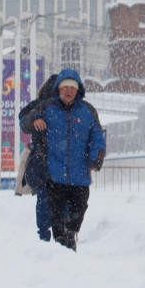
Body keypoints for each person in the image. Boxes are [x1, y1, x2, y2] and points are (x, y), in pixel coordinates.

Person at [39, 69, 106, 250]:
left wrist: (95, 159)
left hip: (80, 176)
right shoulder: (47, 109)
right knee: (57, 218)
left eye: (73, 88)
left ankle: (70, 236)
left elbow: (98, 138)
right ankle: (62, 245)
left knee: (79, 211)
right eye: (65, 87)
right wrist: (33, 121)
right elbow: (26, 120)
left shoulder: (88, 111)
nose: (69, 91)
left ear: (78, 91)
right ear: (58, 89)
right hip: (55, 175)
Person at [19, 75, 61, 241]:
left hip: (43, 163)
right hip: (50, 163)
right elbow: (24, 121)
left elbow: (23, 119)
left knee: (45, 200)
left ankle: (45, 234)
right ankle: (59, 233)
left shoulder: (39, 106)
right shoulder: (41, 107)